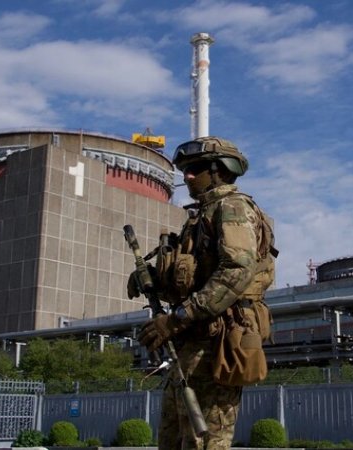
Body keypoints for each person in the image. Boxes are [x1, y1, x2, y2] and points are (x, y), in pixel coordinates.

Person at [128, 136, 277, 450]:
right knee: (172, 437)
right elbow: (194, 281)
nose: (187, 176)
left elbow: (236, 271)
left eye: (195, 169)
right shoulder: (201, 217)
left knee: (205, 441)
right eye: (185, 169)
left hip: (217, 344)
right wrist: (153, 280)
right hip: (191, 344)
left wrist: (177, 319)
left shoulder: (232, 207)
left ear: (219, 170)